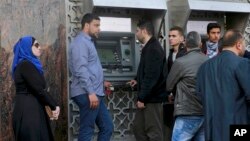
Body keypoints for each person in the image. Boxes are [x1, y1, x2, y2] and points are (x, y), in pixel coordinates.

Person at [196, 29, 250, 141]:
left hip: (212, 129)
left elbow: (200, 95)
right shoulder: (242, 63)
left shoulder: (204, 67)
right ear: (239, 45)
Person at [68, 13, 113, 141]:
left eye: (99, 25)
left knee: (107, 127)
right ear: (87, 25)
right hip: (87, 93)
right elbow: (80, 69)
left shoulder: (88, 42)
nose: (99, 28)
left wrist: (102, 82)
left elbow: (90, 68)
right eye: (96, 25)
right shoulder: (81, 42)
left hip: (94, 92)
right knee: (87, 130)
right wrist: (91, 91)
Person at [11, 36, 60, 141]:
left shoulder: (26, 65)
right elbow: (39, 89)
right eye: (36, 45)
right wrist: (54, 105)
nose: (40, 48)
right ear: (27, 47)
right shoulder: (25, 65)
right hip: (29, 113)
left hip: (29, 110)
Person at [128, 20, 168, 141]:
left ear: (144, 31)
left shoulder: (153, 49)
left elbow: (151, 77)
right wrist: (137, 81)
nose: (136, 34)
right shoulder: (149, 47)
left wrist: (142, 98)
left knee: (154, 131)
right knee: (138, 129)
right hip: (148, 97)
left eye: (137, 31)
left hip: (152, 99)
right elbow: (147, 72)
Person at [167, 31, 207, 141]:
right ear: (200, 44)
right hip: (205, 112)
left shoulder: (180, 62)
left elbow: (168, 86)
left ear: (184, 44)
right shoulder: (209, 61)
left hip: (187, 111)